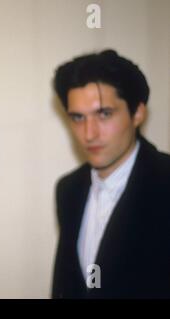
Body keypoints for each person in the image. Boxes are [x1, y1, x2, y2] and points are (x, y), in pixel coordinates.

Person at [52, 49, 170, 298]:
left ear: (137, 113)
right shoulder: (68, 189)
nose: (89, 133)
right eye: (77, 117)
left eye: (104, 114)